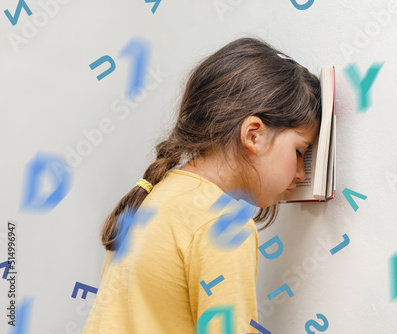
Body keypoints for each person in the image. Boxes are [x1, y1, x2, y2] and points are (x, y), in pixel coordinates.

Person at [82, 36, 321, 333]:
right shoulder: (221, 225)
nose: (300, 173)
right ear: (254, 135)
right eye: (299, 152)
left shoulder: (159, 194)